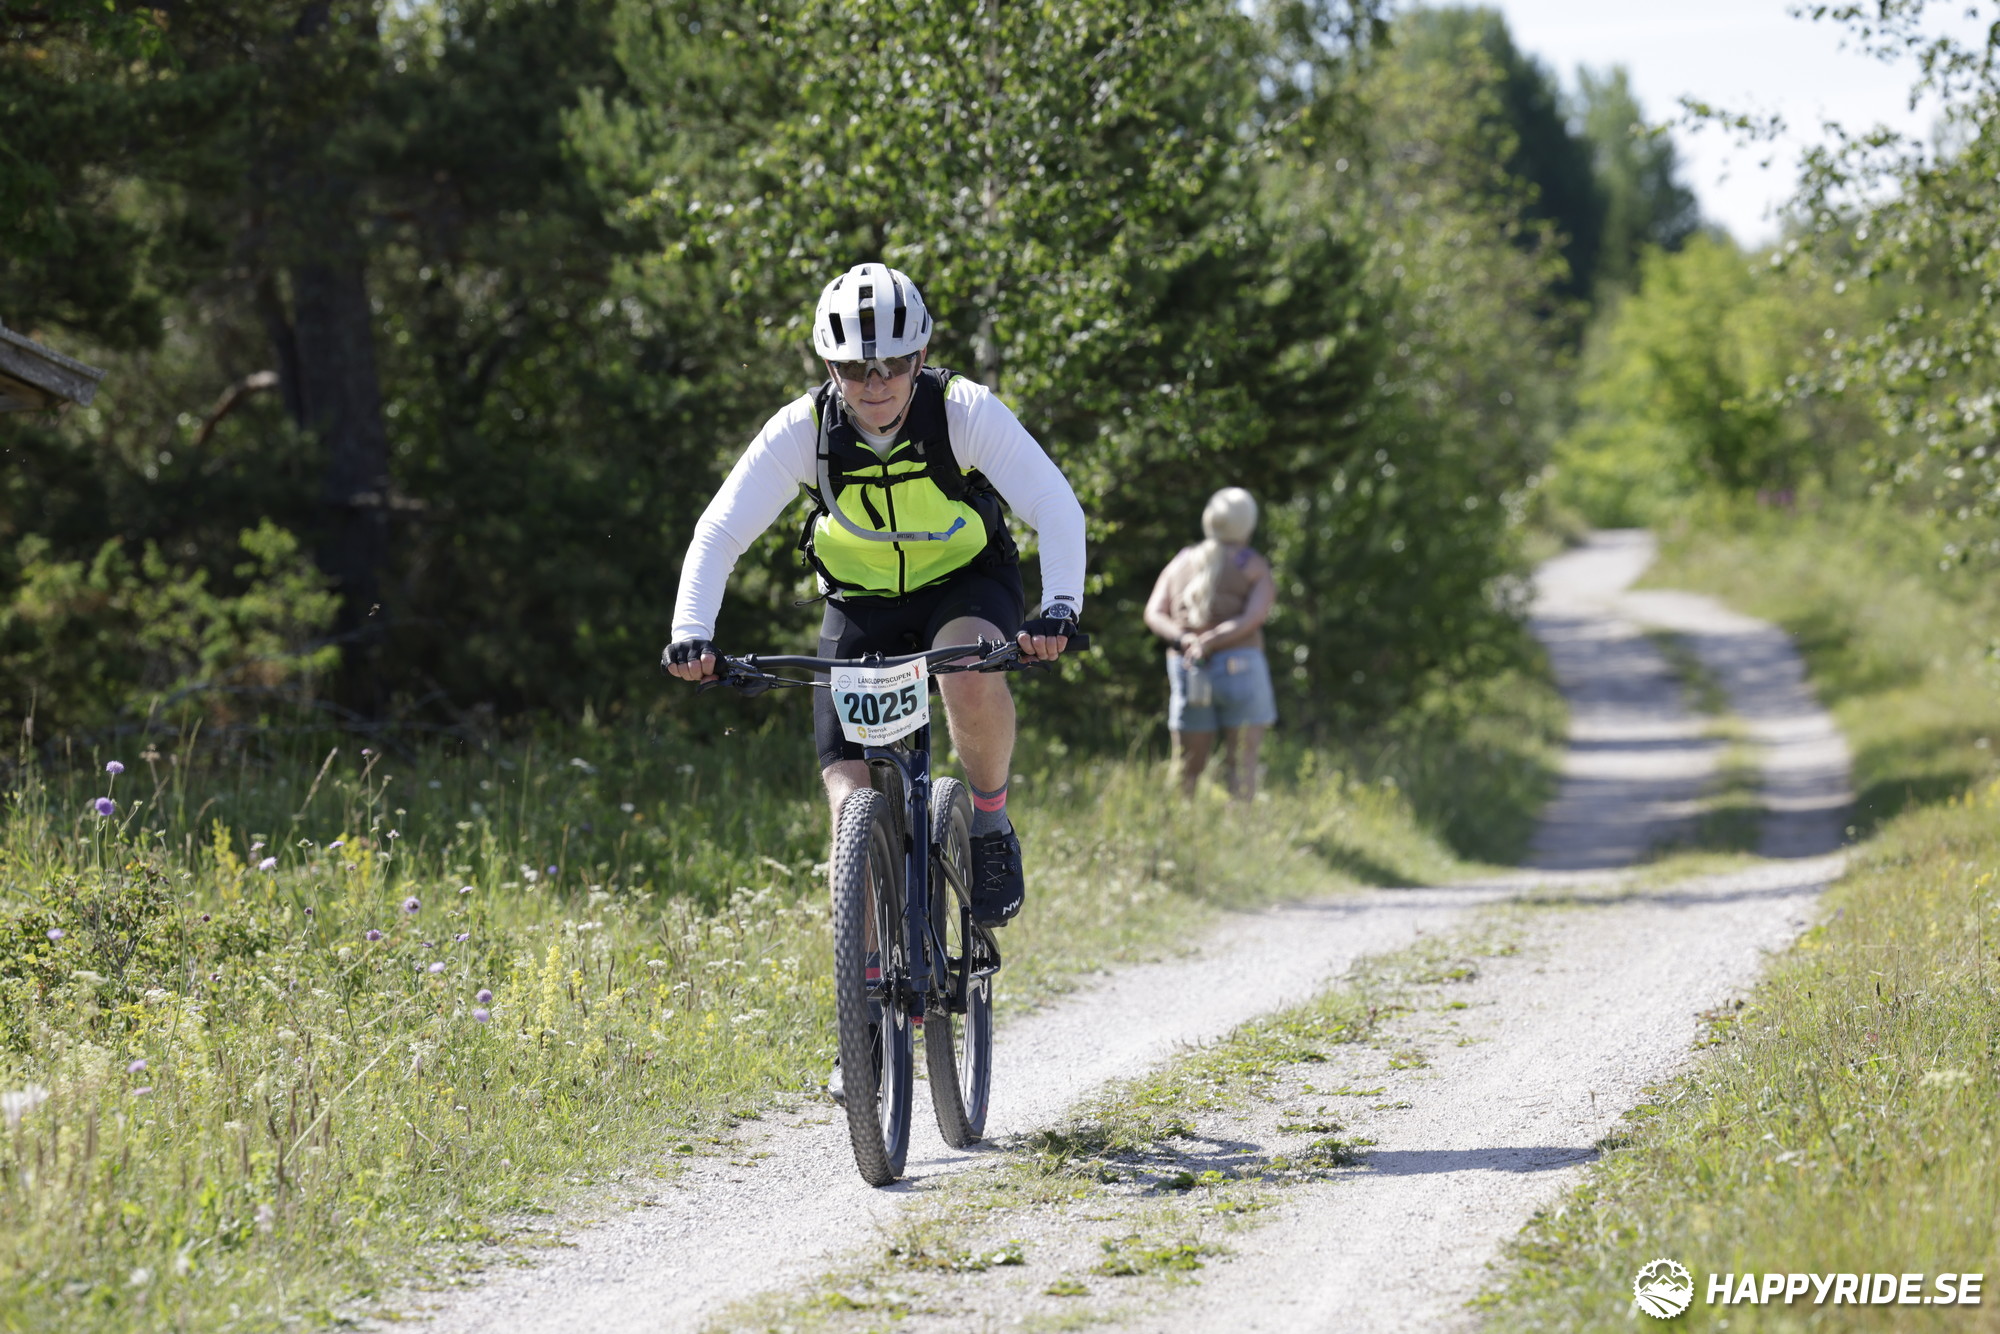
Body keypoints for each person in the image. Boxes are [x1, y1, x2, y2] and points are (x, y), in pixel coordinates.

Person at [662, 262, 1087, 933]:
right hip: (860, 599)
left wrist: (1059, 608)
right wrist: (692, 631)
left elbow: (1054, 505)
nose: (875, 382)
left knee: (967, 670)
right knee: (847, 797)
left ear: (921, 355)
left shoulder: (963, 411)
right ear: (830, 368)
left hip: (965, 581)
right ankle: (861, 981)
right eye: (855, 369)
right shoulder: (803, 429)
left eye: (893, 364)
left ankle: (990, 823)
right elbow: (720, 531)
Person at [1143, 487, 1277, 800]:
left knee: (1186, 767)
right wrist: (1213, 639)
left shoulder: (1182, 561)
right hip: (1241, 666)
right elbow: (1254, 618)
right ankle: (1240, 825)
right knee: (1242, 764)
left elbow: (1153, 613)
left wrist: (1186, 639)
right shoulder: (1254, 565)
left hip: (1190, 668)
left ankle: (1180, 821)